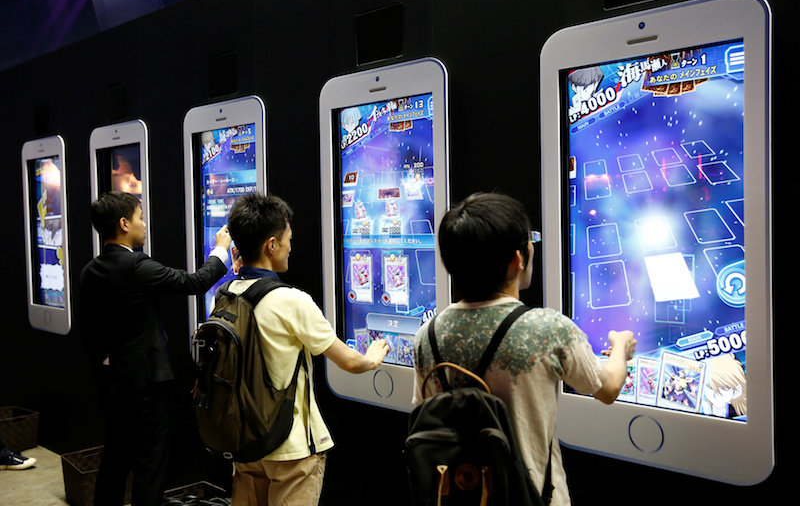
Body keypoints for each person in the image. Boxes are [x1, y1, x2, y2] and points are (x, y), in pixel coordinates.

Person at [412, 192, 636, 506]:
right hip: (534, 496)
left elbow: (422, 411)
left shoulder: (427, 335)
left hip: (460, 494)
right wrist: (621, 345)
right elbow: (608, 387)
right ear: (518, 259)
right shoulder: (547, 328)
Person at [224, 193, 389, 506]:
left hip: (245, 443)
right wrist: (372, 358)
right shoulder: (291, 301)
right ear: (271, 245)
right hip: (291, 448)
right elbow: (349, 362)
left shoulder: (227, 292)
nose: (290, 246)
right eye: (288, 239)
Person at [79, 191, 231, 506]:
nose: (144, 225)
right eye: (139, 218)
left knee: (115, 458)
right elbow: (194, 283)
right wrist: (221, 249)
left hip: (112, 382)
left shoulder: (90, 271)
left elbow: (89, 333)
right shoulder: (136, 265)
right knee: (150, 464)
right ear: (124, 224)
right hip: (147, 385)